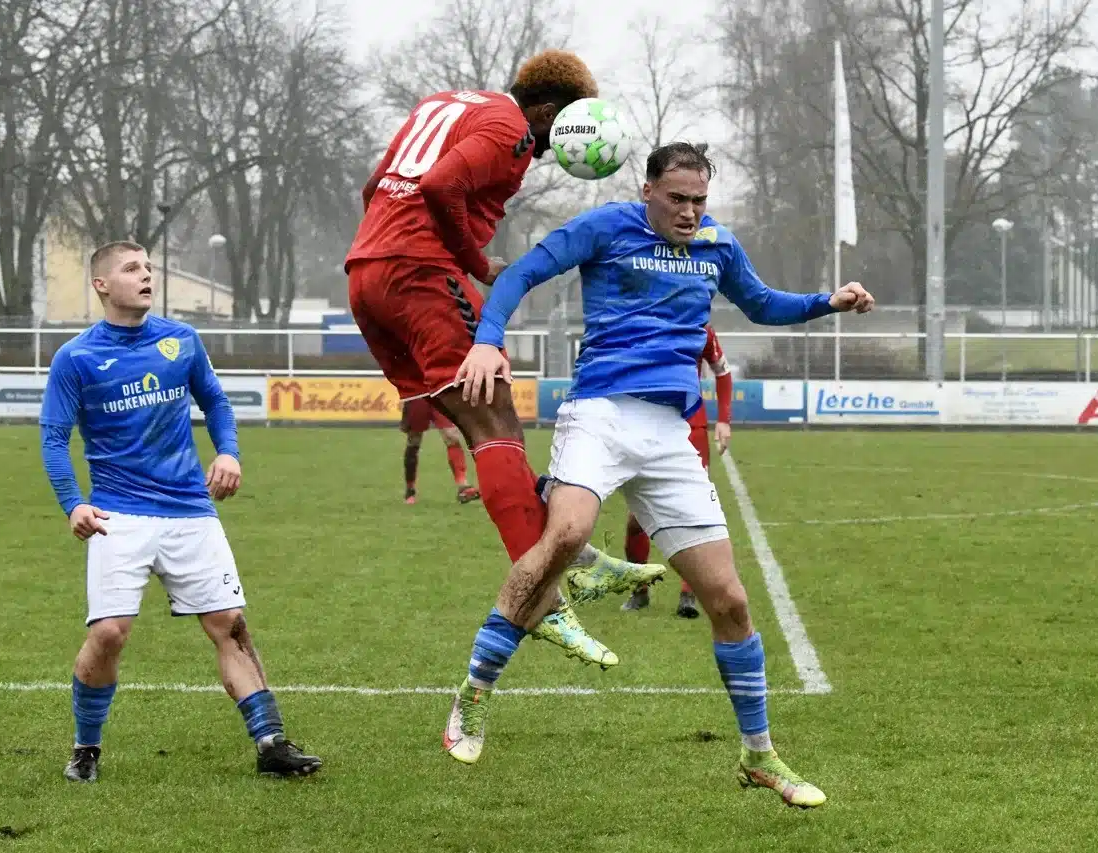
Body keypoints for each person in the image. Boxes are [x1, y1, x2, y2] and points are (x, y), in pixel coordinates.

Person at [443, 142, 875, 808]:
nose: (690, 211)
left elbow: (761, 305)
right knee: (565, 536)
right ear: (647, 190)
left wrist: (829, 302)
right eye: (678, 198)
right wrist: (487, 335)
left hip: (670, 434)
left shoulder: (717, 246)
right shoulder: (603, 228)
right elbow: (520, 273)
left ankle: (759, 756)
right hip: (601, 412)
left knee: (728, 599)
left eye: (700, 200)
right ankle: (474, 693)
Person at [344, 49, 663, 671]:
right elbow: (441, 186)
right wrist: (466, 257)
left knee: (481, 425)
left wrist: (396, 251)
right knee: (497, 430)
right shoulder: (510, 127)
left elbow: (373, 188)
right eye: (552, 137)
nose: (540, 152)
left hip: (368, 274)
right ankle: (546, 602)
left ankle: (579, 563)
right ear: (546, 111)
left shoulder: (441, 104)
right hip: (420, 275)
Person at [39, 241, 321, 783]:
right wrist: (73, 504)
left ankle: (271, 745)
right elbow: (54, 440)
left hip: (191, 511)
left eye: (148, 267)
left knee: (230, 627)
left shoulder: (180, 340)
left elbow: (214, 401)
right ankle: (85, 749)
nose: (146, 276)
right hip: (118, 514)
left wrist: (229, 452)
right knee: (110, 634)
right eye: (131, 269)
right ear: (101, 285)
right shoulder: (75, 357)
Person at [622, 322, 732, 617]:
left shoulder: (703, 327)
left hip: (691, 427)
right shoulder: (643, 319)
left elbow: (722, 372)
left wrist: (724, 419)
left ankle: (688, 594)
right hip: (648, 427)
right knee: (637, 520)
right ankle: (639, 588)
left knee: (693, 512)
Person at [399, 397, 480, 505]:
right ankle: (410, 489)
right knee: (414, 441)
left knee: (451, 436)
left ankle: (463, 486)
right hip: (417, 395)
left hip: (438, 394)